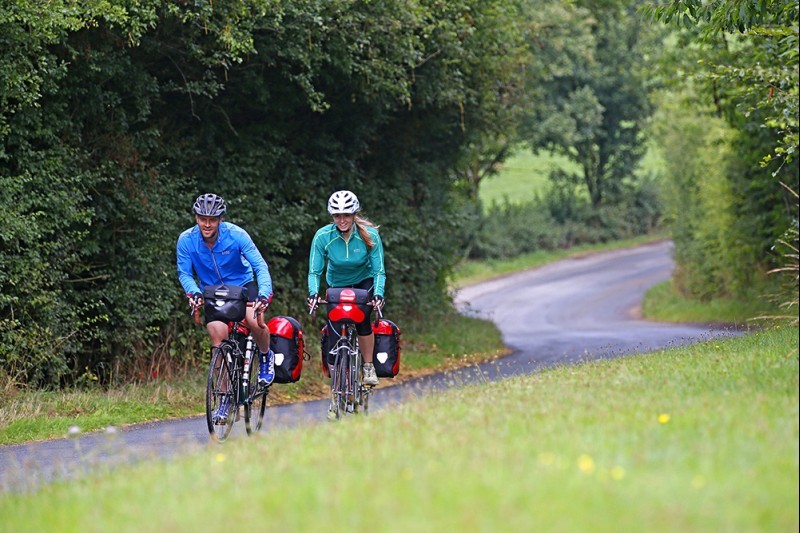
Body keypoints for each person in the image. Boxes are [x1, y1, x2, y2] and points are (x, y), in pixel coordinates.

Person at [177, 193, 275, 423]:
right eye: (202, 219)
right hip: (212, 292)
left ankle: (265, 355)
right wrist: (193, 292)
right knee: (217, 339)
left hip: (242, 286)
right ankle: (224, 401)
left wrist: (263, 294)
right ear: (196, 217)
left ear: (220, 219)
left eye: (212, 219)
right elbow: (184, 273)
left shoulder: (237, 235)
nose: (207, 224)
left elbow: (260, 266)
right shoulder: (186, 240)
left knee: (253, 320)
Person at [307, 190, 386, 411]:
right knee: (334, 333)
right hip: (337, 285)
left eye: (346, 215)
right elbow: (314, 271)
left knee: (362, 319)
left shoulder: (369, 235)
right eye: (337, 215)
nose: (342, 220)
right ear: (332, 216)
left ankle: (368, 366)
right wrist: (313, 293)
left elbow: (379, 271)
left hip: (363, 282)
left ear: (354, 215)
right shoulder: (323, 236)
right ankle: (337, 391)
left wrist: (378, 294)